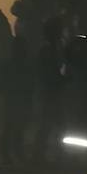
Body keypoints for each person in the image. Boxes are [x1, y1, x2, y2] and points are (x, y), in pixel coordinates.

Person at [32, 17, 67, 162]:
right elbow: (47, 71)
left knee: (54, 124)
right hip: (49, 89)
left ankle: (50, 153)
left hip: (52, 89)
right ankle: (41, 154)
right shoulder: (47, 49)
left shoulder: (53, 47)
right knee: (49, 124)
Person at [0, 36, 33, 164]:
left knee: (13, 127)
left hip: (13, 98)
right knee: (15, 127)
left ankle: (9, 153)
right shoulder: (23, 64)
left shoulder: (8, 64)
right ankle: (13, 153)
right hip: (17, 98)